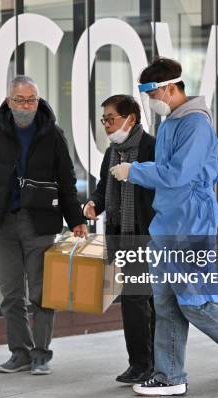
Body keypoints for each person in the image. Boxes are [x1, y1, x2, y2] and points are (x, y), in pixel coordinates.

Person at [109, 58, 218, 396]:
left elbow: (178, 175)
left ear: (170, 87)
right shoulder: (170, 122)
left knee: (194, 302)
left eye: (151, 92)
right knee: (164, 302)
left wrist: (134, 171)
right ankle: (170, 375)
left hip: (191, 222)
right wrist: (140, 167)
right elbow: (167, 167)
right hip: (167, 221)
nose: (150, 99)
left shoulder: (195, 124)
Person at [0, 75, 87, 376]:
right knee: (10, 293)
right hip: (4, 222)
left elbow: (66, 181)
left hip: (40, 222)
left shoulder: (52, 133)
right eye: (19, 100)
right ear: (8, 101)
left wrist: (75, 220)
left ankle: (41, 355)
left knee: (41, 292)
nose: (26, 105)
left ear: (38, 99)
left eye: (31, 99)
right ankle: (19, 353)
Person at [83, 95, 156, 384]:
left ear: (131, 119)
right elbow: (104, 187)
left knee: (139, 301)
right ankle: (143, 363)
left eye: (110, 118)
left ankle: (146, 363)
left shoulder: (151, 147)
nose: (106, 125)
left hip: (145, 235)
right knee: (135, 301)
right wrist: (93, 204)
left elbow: (160, 186)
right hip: (119, 236)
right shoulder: (113, 151)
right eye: (104, 120)